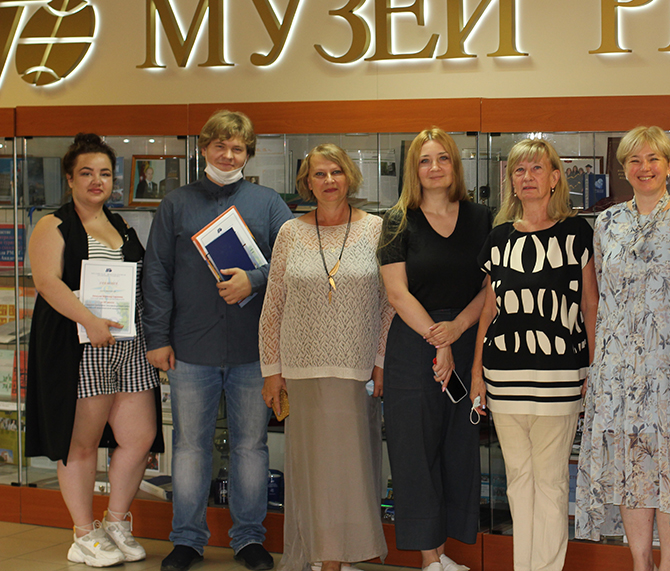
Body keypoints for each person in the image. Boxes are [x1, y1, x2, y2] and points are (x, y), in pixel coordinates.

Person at [143, 111, 293, 571]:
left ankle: (249, 539)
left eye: (238, 148)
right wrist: (157, 338)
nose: (228, 156)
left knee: (251, 447)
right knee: (190, 447)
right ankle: (187, 540)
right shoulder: (176, 204)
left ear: (249, 154)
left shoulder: (268, 203)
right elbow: (157, 274)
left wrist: (254, 279)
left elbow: (294, 262)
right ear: (204, 148)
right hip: (191, 350)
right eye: (220, 146)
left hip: (254, 352)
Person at [575, 126, 670, 570]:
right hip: (618, 369)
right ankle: (640, 562)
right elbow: (599, 297)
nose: (644, 168)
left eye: (654, 158)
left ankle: (669, 564)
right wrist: (597, 363)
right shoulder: (607, 223)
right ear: (624, 169)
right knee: (630, 464)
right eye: (635, 160)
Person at [25, 133, 162, 567]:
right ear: (70, 178)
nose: (96, 181)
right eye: (86, 173)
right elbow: (47, 282)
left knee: (139, 437)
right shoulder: (53, 225)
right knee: (80, 443)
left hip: (130, 346)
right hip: (80, 346)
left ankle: (116, 521)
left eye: (104, 173)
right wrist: (89, 320)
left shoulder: (120, 224)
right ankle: (84, 533)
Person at [260, 144, 392, 571]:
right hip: (301, 369)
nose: (329, 180)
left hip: (356, 369)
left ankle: (342, 554)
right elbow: (273, 305)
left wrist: (381, 360)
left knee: (352, 467)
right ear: (307, 183)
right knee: (312, 468)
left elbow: (388, 304)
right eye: (319, 174)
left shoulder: (376, 229)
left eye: (336, 171)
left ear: (349, 176)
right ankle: (320, 555)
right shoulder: (290, 233)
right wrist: (272, 371)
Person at [471, 138, 598, 571]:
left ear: (555, 177)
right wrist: (477, 375)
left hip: (559, 376)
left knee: (551, 482)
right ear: (511, 181)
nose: (527, 177)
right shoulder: (497, 239)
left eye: (537, 169)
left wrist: (593, 369)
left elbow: (590, 305)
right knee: (518, 482)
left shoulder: (577, 234)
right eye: (519, 170)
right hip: (504, 377)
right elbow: (489, 310)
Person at [377, 127, 491, 571]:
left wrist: (456, 329)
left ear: (455, 165)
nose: (434, 167)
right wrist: (437, 338)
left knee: (459, 448)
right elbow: (396, 293)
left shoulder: (482, 218)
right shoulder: (396, 220)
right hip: (414, 344)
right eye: (424, 160)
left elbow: (491, 287)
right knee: (414, 452)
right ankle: (430, 557)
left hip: (466, 340)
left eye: (442, 158)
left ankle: (448, 550)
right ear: (414, 170)